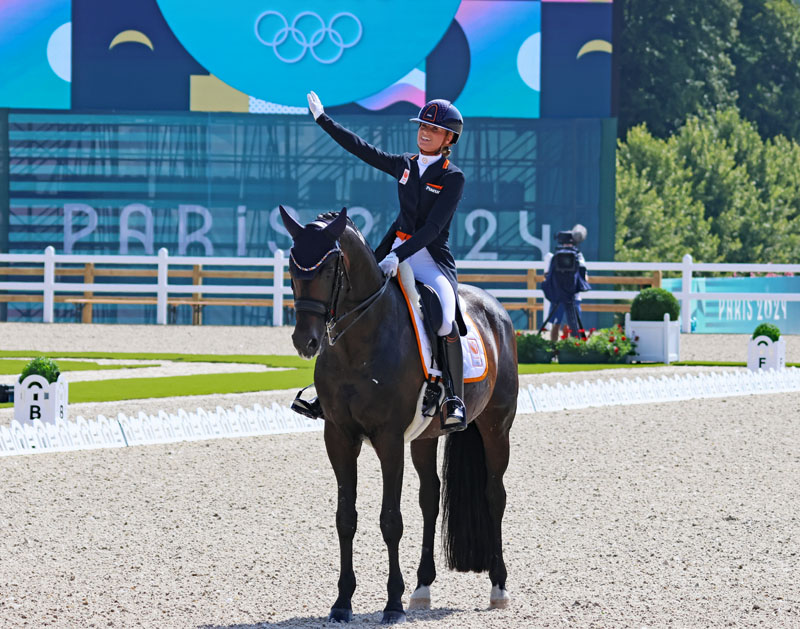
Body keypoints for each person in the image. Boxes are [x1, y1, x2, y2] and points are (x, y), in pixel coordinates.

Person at [303, 91, 468, 433]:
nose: (425, 132)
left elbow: (434, 228)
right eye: (423, 126)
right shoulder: (405, 165)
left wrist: (399, 255)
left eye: (433, 130)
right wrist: (323, 120)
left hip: (429, 259)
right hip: (392, 251)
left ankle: (452, 396)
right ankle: (324, 390)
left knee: (444, 318)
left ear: (448, 138)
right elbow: (362, 150)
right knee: (345, 301)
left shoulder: (453, 178)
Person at [544, 224, 590, 341]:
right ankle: (564, 348)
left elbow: (546, 275)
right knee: (558, 324)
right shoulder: (576, 257)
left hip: (565, 296)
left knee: (568, 325)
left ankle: (563, 348)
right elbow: (584, 278)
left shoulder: (575, 257)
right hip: (567, 296)